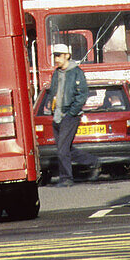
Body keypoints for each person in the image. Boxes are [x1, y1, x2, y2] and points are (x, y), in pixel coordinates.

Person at [48, 43, 99, 187]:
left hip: (70, 115)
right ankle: (93, 162)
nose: (56, 59)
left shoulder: (77, 72)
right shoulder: (56, 73)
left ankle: (66, 179)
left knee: (62, 149)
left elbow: (82, 95)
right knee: (65, 148)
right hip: (57, 115)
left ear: (67, 56)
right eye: (55, 56)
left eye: (58, 56)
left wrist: (72, 112)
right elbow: (54, 92)